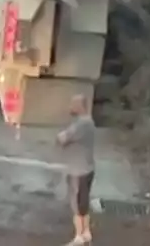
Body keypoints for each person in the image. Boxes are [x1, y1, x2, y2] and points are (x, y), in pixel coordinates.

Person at [56, 94, 96, 245]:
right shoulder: (87, 122)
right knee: (83, 202)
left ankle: (79, 236)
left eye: (73, 104)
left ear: (80, 106)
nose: (70, 107)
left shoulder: (81, 125)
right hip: (86, 168)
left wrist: (61, 137)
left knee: (77, 204)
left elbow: (63, 138)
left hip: (79, 170)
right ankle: (86, 233)